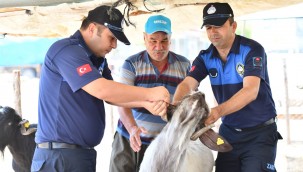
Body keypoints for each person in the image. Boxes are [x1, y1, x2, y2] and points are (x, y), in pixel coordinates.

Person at [30, 5, 170, 172]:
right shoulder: (67, 50)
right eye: (111, 38)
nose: (114, 45)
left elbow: (111, 95)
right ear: (92, 29)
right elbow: (102, 89)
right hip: (58, 157)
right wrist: (150, 93)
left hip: (80, 156)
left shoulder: (97, 60)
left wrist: (144, 102)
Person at [172, 2, 282, 172]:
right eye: (208, 27)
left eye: (219, 26)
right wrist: (175, 108)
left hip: (259, 133)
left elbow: (250, 91)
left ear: (233, 26)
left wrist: (217, 112)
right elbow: (187, 84)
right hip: (229, 133)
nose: (213, 32)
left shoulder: (252, 50)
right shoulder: (205, 57)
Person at [109, 15, 191, 172]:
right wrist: (133, 128)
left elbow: (188, 103)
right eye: (153, 40)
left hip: (164, 145)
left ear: (171, 39)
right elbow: (121, 101)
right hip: (128, 139)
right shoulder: (131, 64)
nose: (159, 47)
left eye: (164, 41)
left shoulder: (184, 65)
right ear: (144, 38)